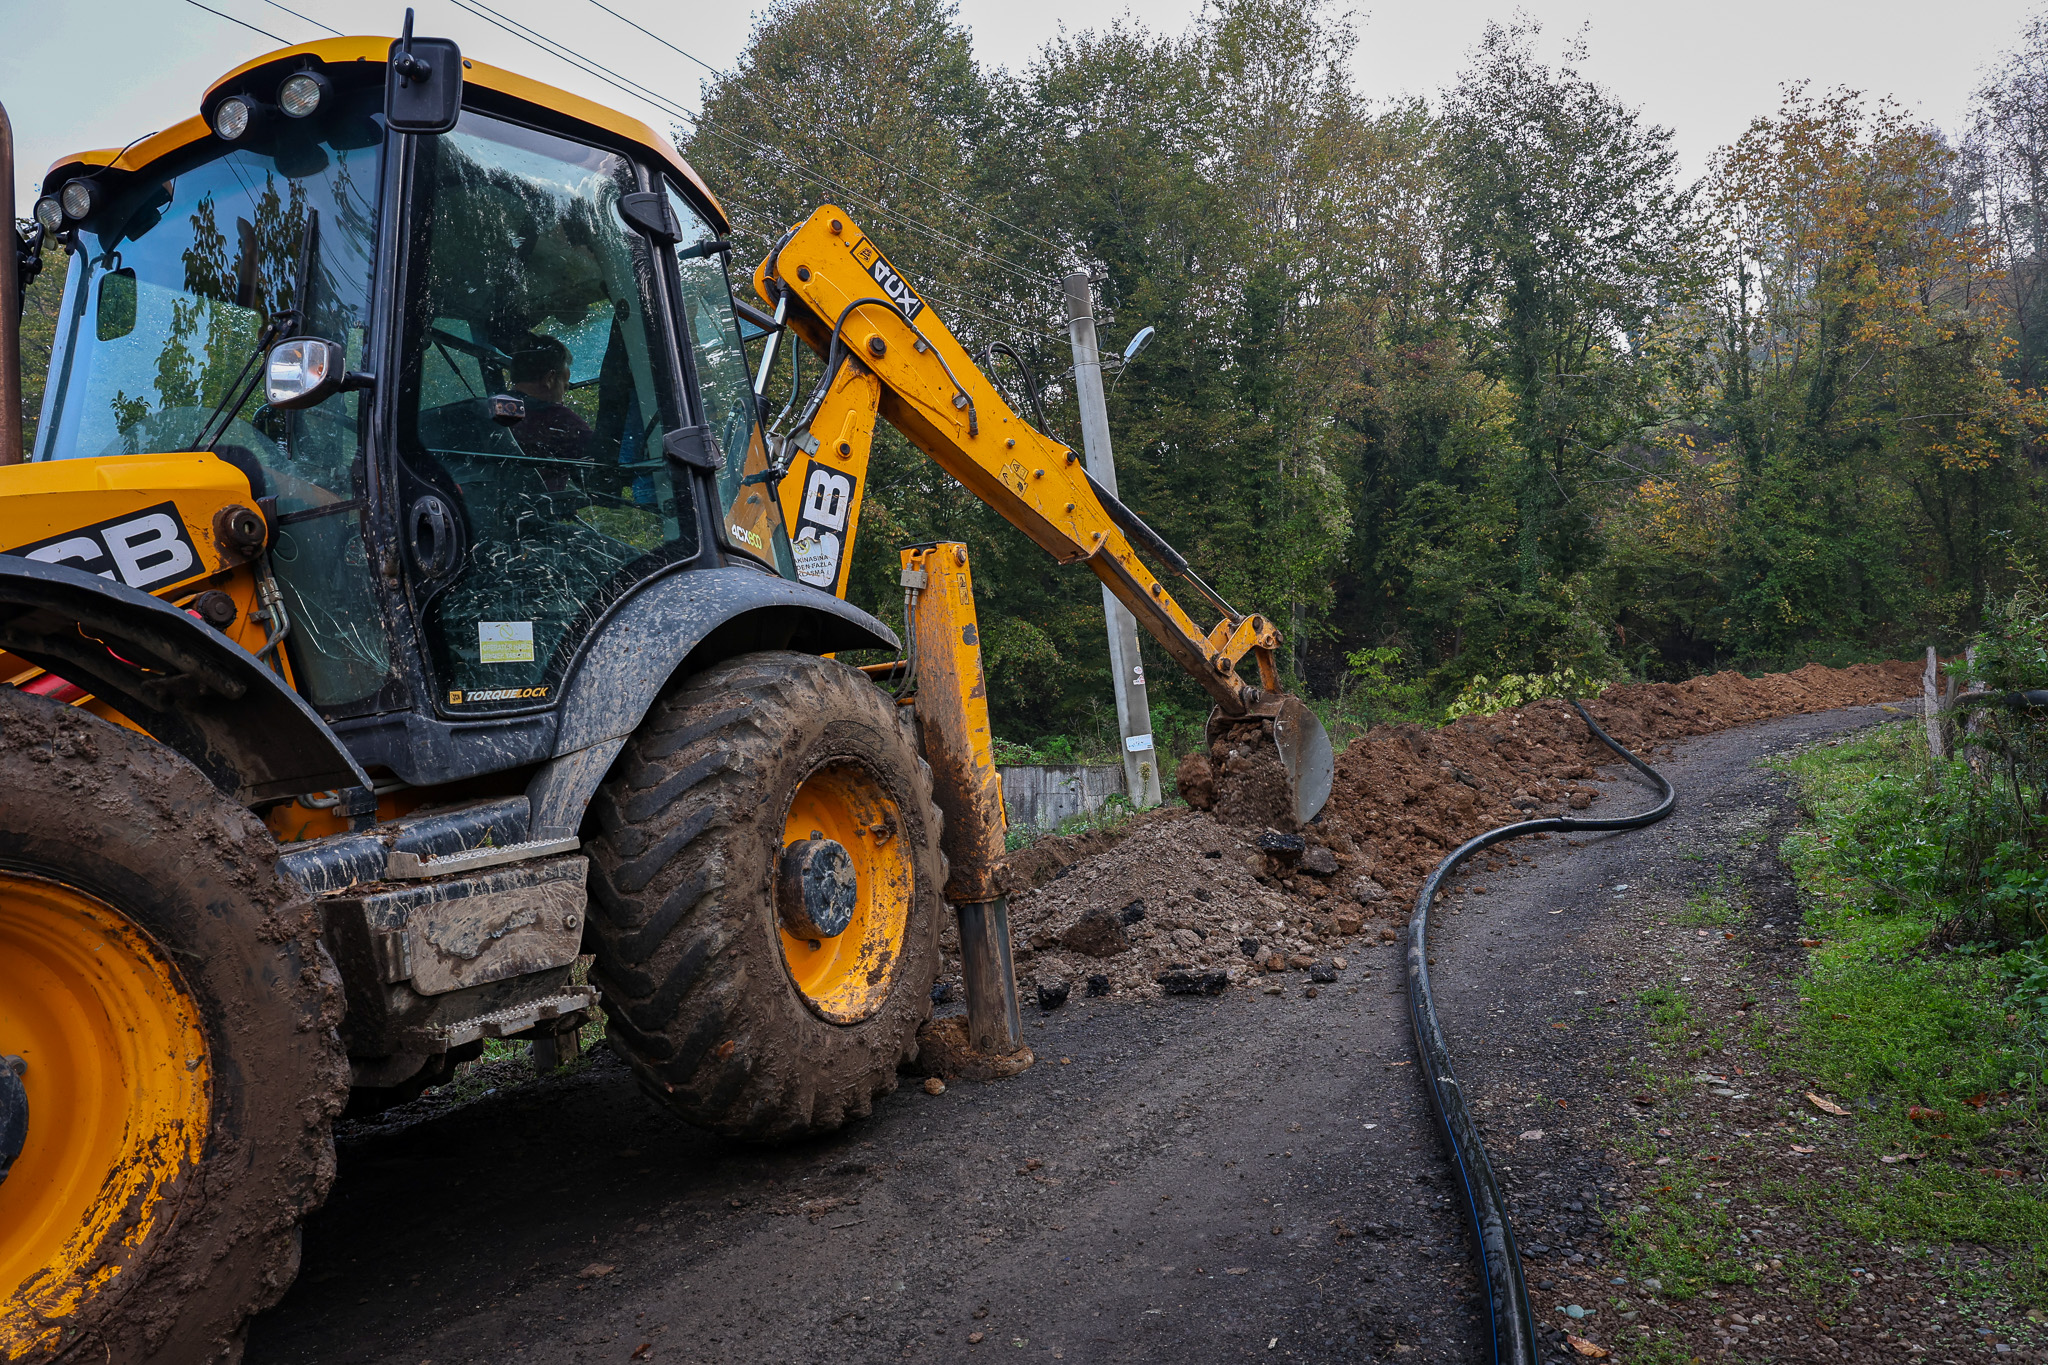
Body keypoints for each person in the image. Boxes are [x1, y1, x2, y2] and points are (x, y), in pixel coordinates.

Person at [506, 335, 597, 466]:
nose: (563, 396)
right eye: (564, 387)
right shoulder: (560, 420)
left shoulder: (489, 410)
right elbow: (603, 459)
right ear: (550, 379)